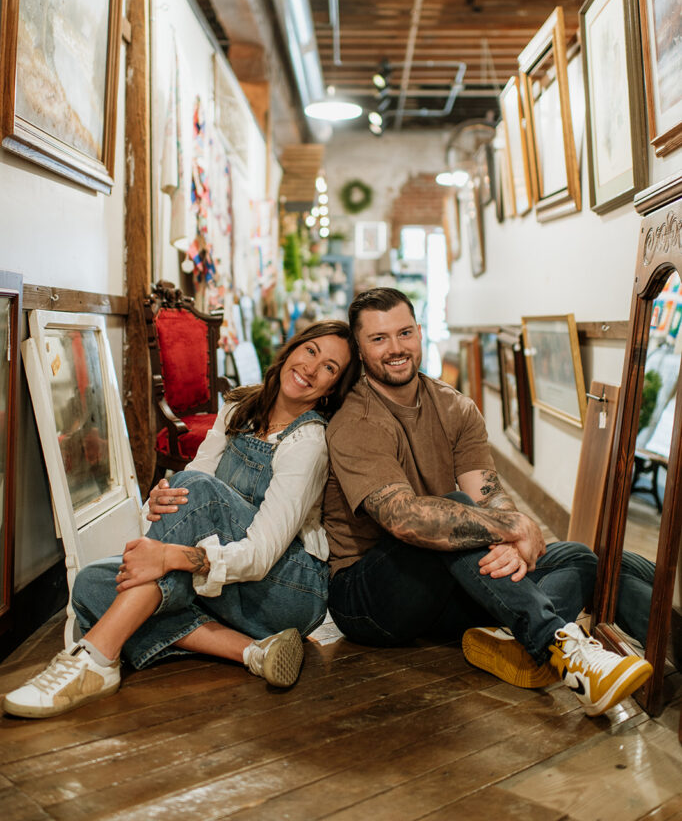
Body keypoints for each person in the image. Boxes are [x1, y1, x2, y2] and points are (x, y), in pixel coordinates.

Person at [4, 319, 361, 719]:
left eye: (330, 367)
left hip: (287, 589)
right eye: (311, 351)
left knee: (193, 493)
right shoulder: (240, 407)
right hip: (226, 582)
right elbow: (193, 482)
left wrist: (172, 557)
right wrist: (158, 502)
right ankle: (252, 651)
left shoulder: (307, 442)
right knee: (91, 584)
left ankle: (95, 659)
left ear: (333, 388)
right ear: (294, 348)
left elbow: (259, 555)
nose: (312, 368)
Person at [323, 287, 653, 718]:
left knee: (580, 559)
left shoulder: (454, 406)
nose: (396, 348)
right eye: (379, 339)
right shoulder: (356, 421)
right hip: (369, 597)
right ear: (361, 350)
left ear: (421, 333)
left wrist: (511, 535)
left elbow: (489, 495)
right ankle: (563, 650)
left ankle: (513, 640)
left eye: (404, 333)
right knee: (452, 509)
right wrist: (513, 527)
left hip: (444, 583)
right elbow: (403, 517)